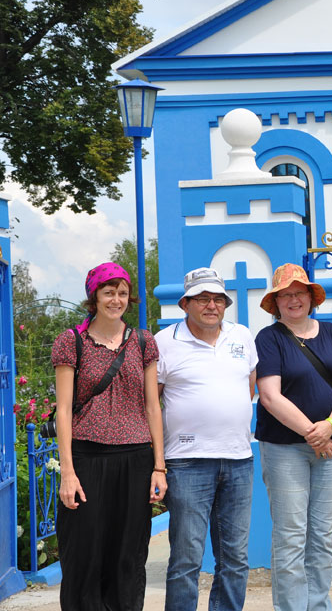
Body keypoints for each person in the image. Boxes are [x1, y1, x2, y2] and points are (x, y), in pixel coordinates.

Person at [52, 262, 164, 611]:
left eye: (122, 293)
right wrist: (67, 473)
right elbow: (64, 410)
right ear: (94, 297)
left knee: (128, 555)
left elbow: (152, 406)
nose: (116, 299)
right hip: (87, 460)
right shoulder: (72, 342)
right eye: (108, 292)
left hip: (135, 460)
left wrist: (159, 467)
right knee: (84, 555)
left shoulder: (143, 341)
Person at [255, 263, 332, 611]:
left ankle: (318, 606)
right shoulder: (269, 339)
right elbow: (270, 396)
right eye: (285, 295)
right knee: (290, 537)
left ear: (311, 297)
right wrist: (313, 433)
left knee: (322, 537)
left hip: (329, 446)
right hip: (285, 450)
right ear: (276, 302)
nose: (293, 299)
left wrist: (330, 424)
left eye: (299, 292)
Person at [156, 267, 258, 611]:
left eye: (217, 299)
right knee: (186, 560)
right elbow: (151, 404)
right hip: (186, 463)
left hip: (238, 460)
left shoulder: (242, 336)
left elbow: (250, 387)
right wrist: (158, 464)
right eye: (202, 299)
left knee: (236, 559)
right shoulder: (164, 342)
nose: (211, 305)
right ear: (186, 303)